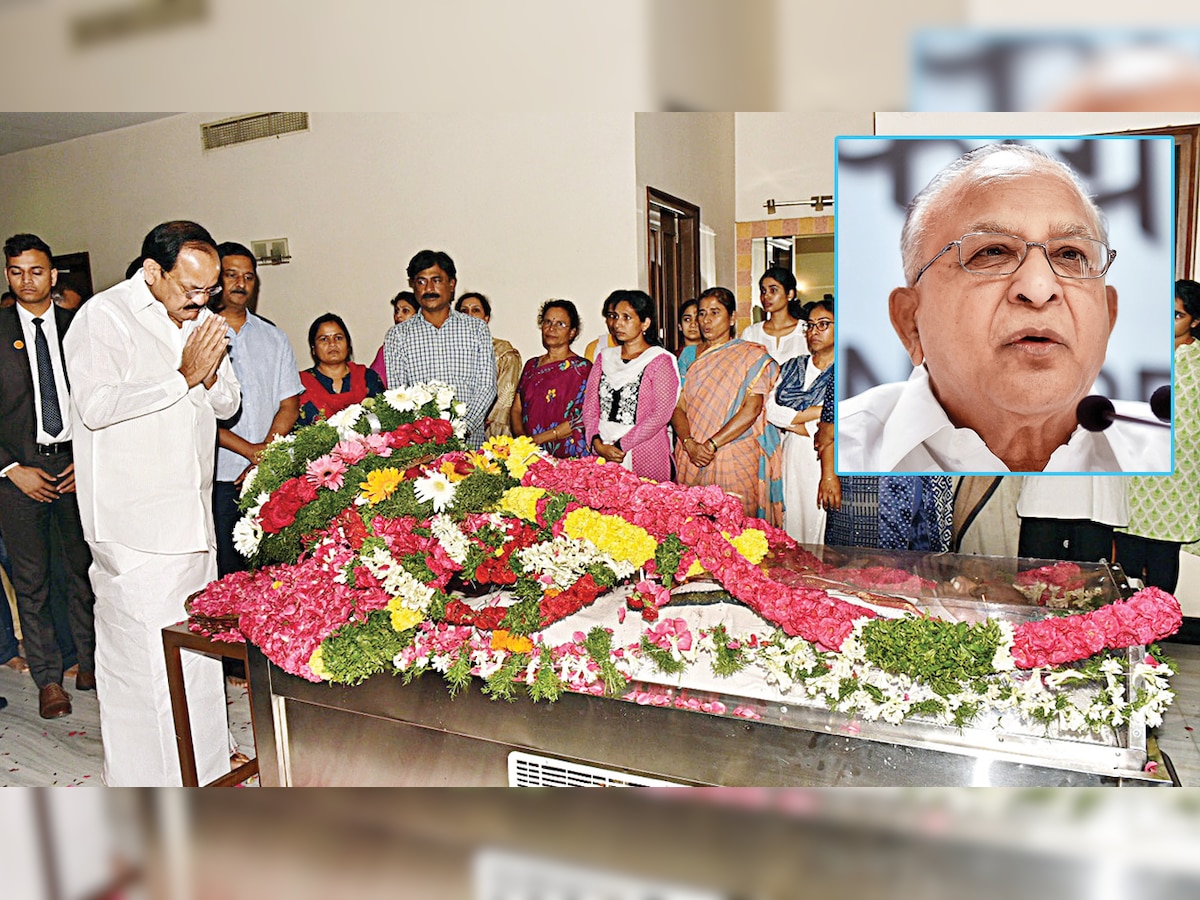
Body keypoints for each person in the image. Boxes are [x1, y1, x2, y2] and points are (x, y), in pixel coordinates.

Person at [838, 142, 1169, 474]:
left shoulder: (1174, 453)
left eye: (1070, 255)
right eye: (992, 252)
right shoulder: (830, 452)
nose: (1039, 289)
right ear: (910, 322)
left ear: (1107, 318)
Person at [64, 220, 240, 786]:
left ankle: (205, 779)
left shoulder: (204, 321)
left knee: (198, 662)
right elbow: (94, 406)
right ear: (152, 271)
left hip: (193, 522)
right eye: (191, 288)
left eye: (209, 288)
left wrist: (207, 377)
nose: (202, 299)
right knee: (143, 670)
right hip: (136, 529)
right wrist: (182, 375)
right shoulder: (103, 317)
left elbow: (228, 403)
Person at [0, 233, 96, 718]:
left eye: (36, 271)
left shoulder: (80, 326)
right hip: (18, 475)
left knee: (83, 574)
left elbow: (100, 399)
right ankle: (48, 680)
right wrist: (11, 469)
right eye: (16, 271)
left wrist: (90, 457)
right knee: (32, 583)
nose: (26, 280)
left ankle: (89, 664)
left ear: (53, 275)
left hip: (76, 466)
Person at [210, 242, 302, 576]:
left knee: (272, 572)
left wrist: (263, 455)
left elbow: (289, 405)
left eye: (248, 277)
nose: (240, 283)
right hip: (219, 477)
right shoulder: (197, 332)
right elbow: (197, 412)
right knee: (227, 574)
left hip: (267, 477)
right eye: (231, 274)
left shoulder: (274, 337)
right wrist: (249, 451)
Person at [1113, 279, 1200, 589]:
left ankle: (1156, 634)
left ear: (1196, 320)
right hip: (1135, 475)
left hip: (1177, 480)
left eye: (1177, 315)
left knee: (1163, 562)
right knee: (1127, 562)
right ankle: (1127, 635)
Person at [671, 287, 782, 525]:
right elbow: (678, 406)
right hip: (691, 451)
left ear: (732, 318)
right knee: (693, 528)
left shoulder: (750, 356)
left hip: (734, 450)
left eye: (715, 312)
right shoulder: (688, 356)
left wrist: (711, 445)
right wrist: (690, 443)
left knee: (737, 529)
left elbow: (751, 409)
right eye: (702, 313)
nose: (706, 320)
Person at [384, 250, 496, 449]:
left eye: (436, 280)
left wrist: (461, 429)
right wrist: (425, 435)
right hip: (422, 448)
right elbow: (398, 393)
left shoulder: (477, 329)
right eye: (421, 281)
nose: (429, 288)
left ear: (452, 284)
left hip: (470, 445)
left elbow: (487, 387)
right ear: (412, 285)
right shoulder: (398, 336)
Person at [583, 290, 679, 480]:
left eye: (627, 318)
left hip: (644, 451)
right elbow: (590, 406)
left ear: (645, 323)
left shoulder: (659, 360)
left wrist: (619, 446)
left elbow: (661, 414)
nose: (618, 324)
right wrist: (597, 442)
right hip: (603, 451)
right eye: (615, 317)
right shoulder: (605, 358)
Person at [765, 297, 836, 543]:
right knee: (792, 520)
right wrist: (819, 412)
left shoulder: (845, 373)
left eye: (823, 324)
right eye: (810, 325)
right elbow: (771, 410)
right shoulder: (792, 366)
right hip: (792, 453)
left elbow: (845, 416)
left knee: (819, 525)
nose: (814, 331)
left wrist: (793, 422)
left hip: (824, 455)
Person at [511, 299, 592, 457]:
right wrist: (523, 441)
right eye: (547, 321)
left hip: (567, 453)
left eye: (560, 324)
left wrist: (540, 439)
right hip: (529, 454)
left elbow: (583, 417)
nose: (551, 328)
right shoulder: (531, 365)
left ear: (572, 332)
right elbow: (516, 408)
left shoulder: (582, 368)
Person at [298, 313, 384, 426]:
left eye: (338, 338)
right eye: (324, 339)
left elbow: (384, 419)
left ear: (348, 345)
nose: (332, 343)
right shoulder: (299, 384)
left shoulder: (368, 378)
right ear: (313, 349)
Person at [456, 291, 522, 439]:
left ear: (486, 318)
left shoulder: (504, 353)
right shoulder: (448, 351)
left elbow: (504, 399)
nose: (469, 315)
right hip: (450, 431)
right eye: (463, 311)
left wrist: (474, 423)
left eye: (476, 310)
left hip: (488, 432)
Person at [741, 267, 807, 364]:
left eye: (773, 290)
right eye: (763, 291)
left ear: (790, 294)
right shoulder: (751, 333)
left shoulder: (805, 331)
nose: (766, 296)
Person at [369, 290, 418, 386]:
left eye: (405, 311)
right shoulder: (388, 348)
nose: (398, 316)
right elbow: (374, 381)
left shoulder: (427, 346)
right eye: (396, 311)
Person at [583, 292, 621, 363]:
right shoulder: (596, 348)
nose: (617, 323)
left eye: (626, 317)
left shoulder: (646, 350)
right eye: (612, 316)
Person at [676, 298, 701, 380]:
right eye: (687, 319)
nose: (693, 324)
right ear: (680, 325)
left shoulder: (712, 355)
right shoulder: (673, 358)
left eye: (697, 319)